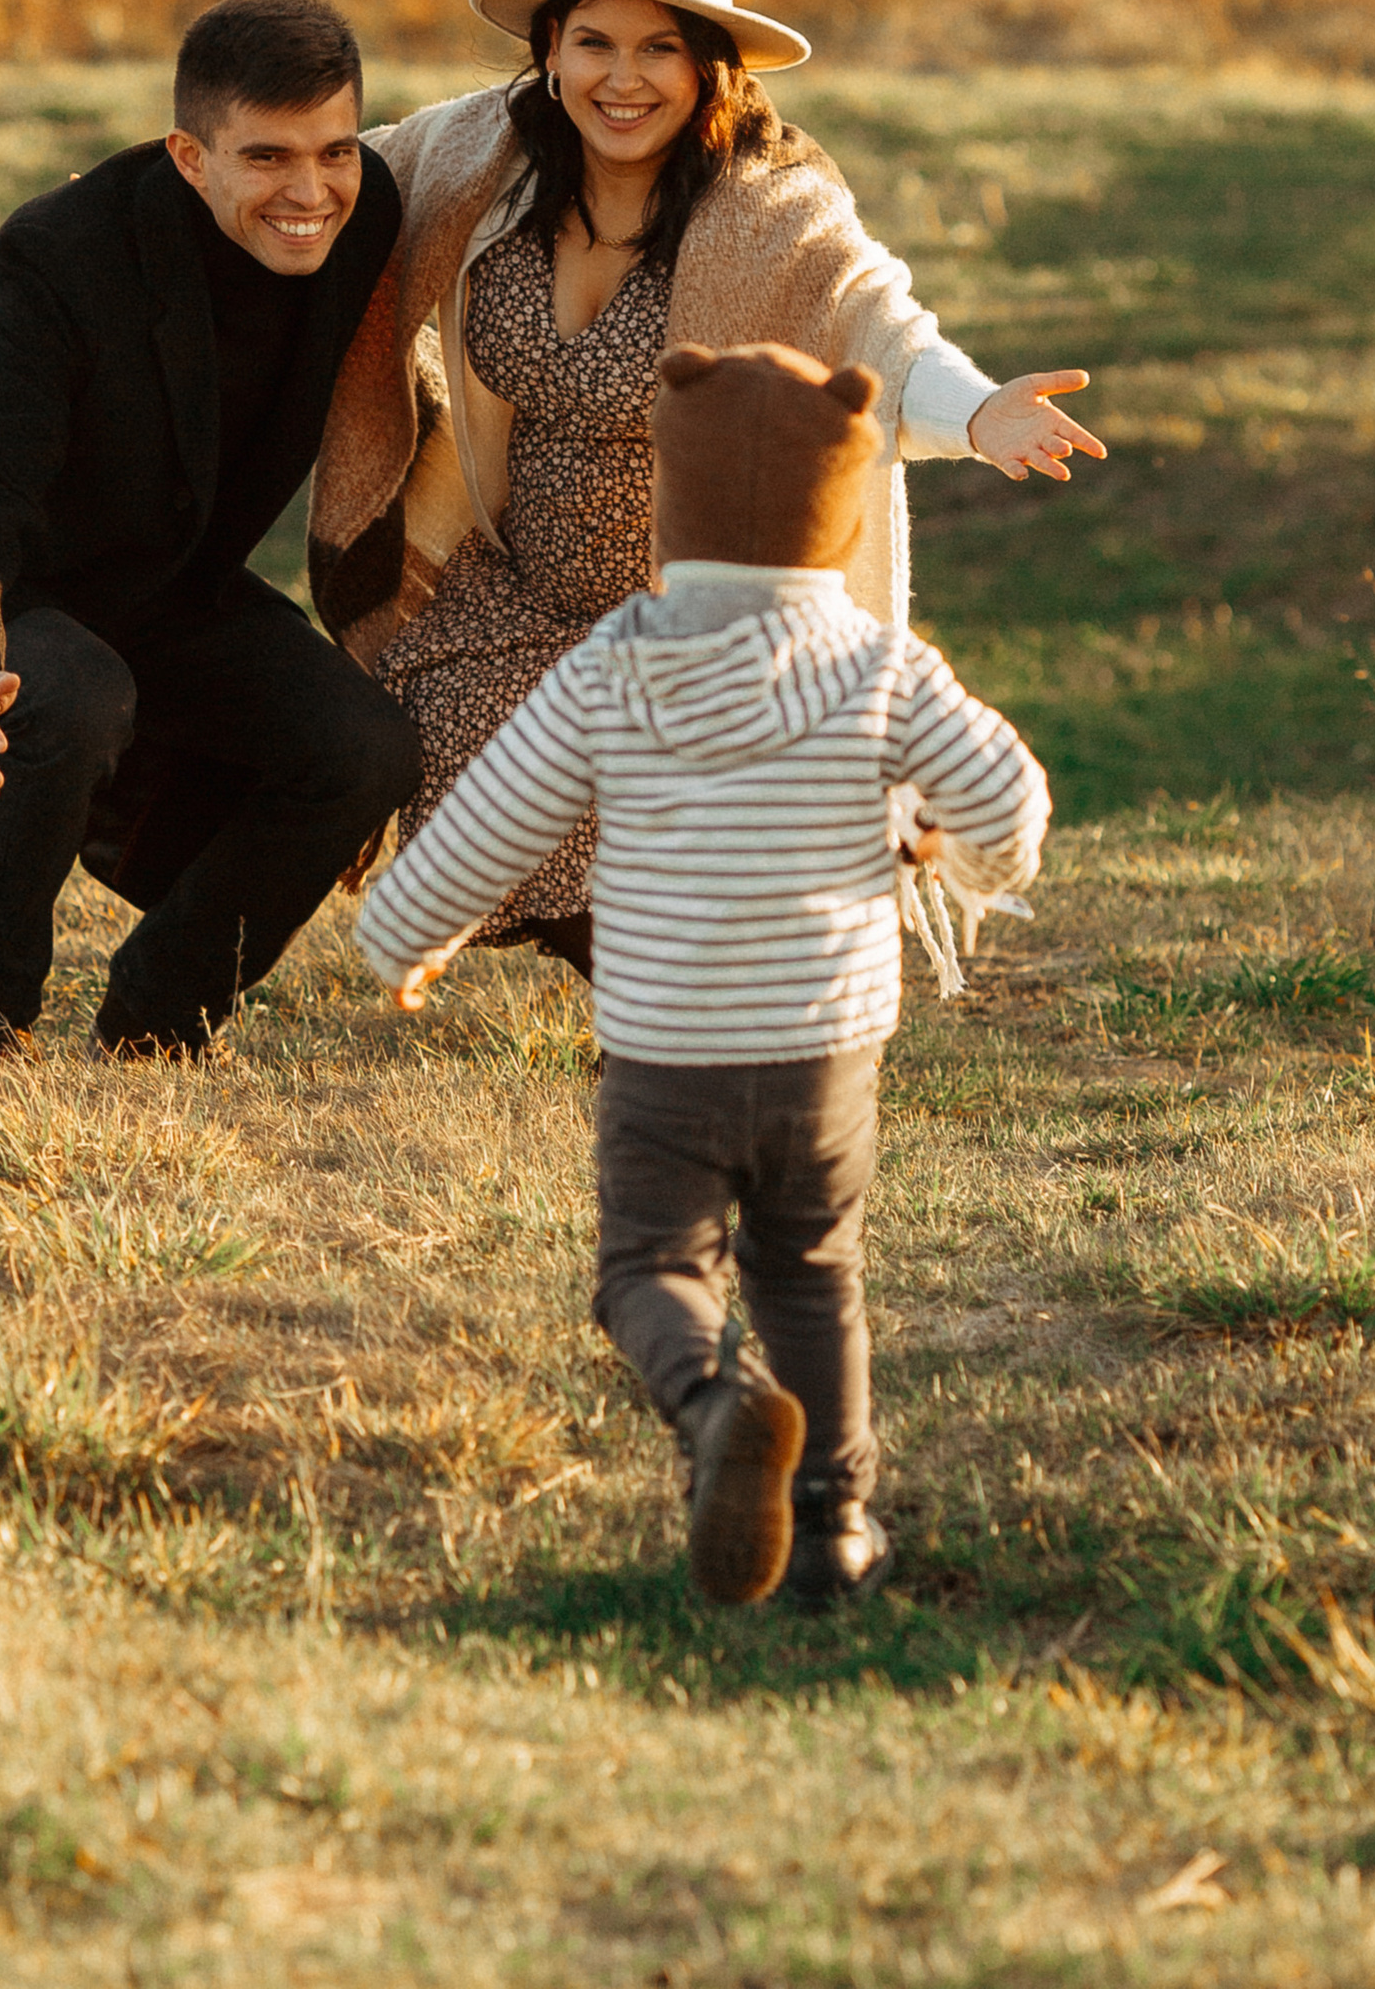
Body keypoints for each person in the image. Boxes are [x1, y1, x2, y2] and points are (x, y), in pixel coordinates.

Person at [357, 338, 1051, 1608]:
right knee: (811, 1270)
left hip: (667, 1051)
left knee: (650, 1270)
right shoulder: (876, 666)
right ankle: (833, 1526)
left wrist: (406, 935)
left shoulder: (618, 662)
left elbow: (495, 815)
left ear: (668, 498)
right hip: (822, 1053)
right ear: (837, 510)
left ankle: (714, 1401)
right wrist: (962, 855)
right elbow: (1005, 791)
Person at [308, 0, 1096, 975]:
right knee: (472, 745)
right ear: (550, 49)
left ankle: (682, 1007)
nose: (621, 79)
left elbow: (873, 321)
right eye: (594, 42)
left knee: (660, 795)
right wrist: (163, 205)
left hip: (698, 614)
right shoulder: (471, 157)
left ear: (709, 67)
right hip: (509, 588)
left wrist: (975, 410)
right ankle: (655, 987)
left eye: (659, 49)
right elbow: (318, 181)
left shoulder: (768, 205)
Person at [0, 0, 414, 1057]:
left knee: (365, 747)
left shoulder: (365, 210)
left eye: (334, 151)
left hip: (160, 577)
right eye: (266, 158)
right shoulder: (60, 253)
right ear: (189, 156)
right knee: (69, 691)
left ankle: (161, 1015)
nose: (310, 191)